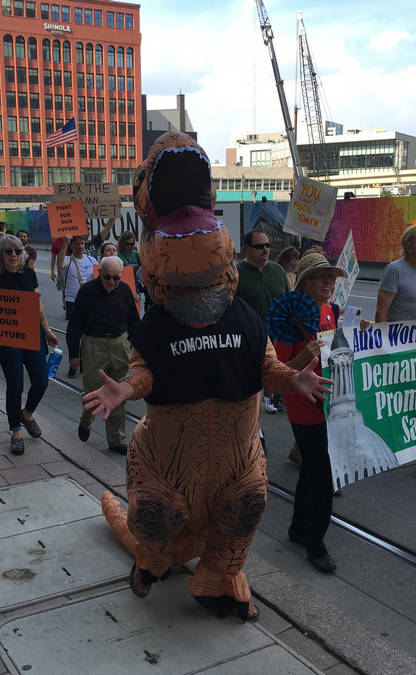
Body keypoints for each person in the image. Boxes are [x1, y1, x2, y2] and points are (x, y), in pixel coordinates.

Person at [84, 130, 332, 622]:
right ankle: (154, 557)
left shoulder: (243, 318)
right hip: (167, 464)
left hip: (235, 461)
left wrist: (295, 378)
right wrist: (125, 390)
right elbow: (144, 371)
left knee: (247, 503)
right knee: (154, 515)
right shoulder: (155, 325)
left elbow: (266, 368)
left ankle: (219, 574)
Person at [273, 252, 346, 574]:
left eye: (331, 276)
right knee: (323, 476)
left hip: (329, 402)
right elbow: (278, 373)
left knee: (312, 471)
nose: (329, 282)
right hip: (305, 406)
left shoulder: (330, 310)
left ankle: (298, 529)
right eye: (321, 277)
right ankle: (316, 545)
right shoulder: (289, 317)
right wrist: (304, 354)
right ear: (304, 283)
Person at [0, 235, 59, 455]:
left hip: (33, 336)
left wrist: (48, 331)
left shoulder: (29, 274)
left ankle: (27, 414)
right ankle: (15, 430)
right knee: (15, 386)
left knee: (41, 381)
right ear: (0, 255)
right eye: (8, 251)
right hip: (7, 340)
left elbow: (37, 305)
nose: (14, 255)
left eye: (17, 250)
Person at [375, 224, 416, 482]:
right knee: (400, 401)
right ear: (408, 245)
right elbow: (382, 310)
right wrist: (383, 346)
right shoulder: (394, 271)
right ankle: (390, 446)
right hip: (400, 350)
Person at [67, 256, 138, 454]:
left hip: (119, 344)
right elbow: (74, 324)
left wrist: (137, 348)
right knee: (92, 391)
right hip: (94, 344)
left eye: (116, 278)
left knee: (118, 392)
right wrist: (74, 354)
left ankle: (116, 439)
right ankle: (86, 420)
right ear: (99, 273)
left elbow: (134, 321)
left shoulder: (124, 290)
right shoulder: (87, 291)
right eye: (107, 277)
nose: (112, 282)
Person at [237, 229, 289, 414]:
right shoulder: (236, 273)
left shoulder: (278, 271)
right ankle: (252, 426)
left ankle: (270, 399)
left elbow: (289, 301)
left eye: (267, 245)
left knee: (274, 374)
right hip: (247, 341)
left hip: (278, 338)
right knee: (250, 388)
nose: (265, 250)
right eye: (259, 246)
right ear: (247, 249)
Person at [59, 234, 98, 342]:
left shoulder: (92, 260)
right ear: (71, 245)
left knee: (89, 330)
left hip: (90, 301)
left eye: (82, 243)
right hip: (73, 301)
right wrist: (65, 243)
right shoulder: (67, 259)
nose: (80, 246)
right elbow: (60, 264)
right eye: (76, 243)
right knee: (75, 331)